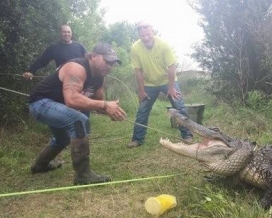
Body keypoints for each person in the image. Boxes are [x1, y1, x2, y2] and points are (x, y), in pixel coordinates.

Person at [28, 43, 126, 185]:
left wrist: (110, 110)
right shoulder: (77, 67)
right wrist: (105, 105)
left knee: (63, 139)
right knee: (79, 120)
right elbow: (72, 99)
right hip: (40, 103)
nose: (110, 66)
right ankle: (83, 176)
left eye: (113, 63)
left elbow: (96, 102)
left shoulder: (100, 78)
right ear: (93, 56)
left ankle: (39, 165)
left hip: (58, 107)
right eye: (107, 61)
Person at [127, 22, 193, 148]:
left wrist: (171, 87)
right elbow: (138, 71)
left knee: (179, 107)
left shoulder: (163, 45)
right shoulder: (135, 48)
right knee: (142, 110)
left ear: (153, 32)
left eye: (148, 34)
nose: (146, 38)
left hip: (168, 80)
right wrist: (141, 90)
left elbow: (172, 67)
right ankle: (137, 139)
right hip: (149, 83)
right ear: (139, 35)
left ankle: (187, 135)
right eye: (142, 35)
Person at [23, 24, 87, 80]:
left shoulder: (79, 46)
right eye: (64, 32)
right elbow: (41, 61)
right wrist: (30, 71)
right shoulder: (54, 48)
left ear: (71, 33)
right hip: (63, 81)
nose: (67, 34)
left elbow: (89, 60)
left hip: (81, 80)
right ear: (60, 33)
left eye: (68, 32)